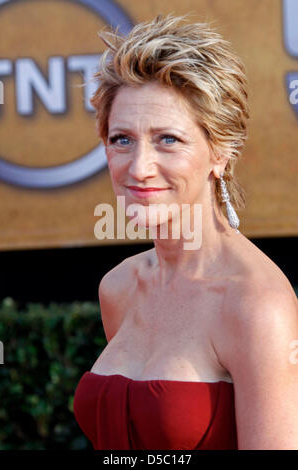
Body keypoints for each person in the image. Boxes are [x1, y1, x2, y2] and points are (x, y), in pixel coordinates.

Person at [73, 13, 298, 450]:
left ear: (220, 153)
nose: (138, 168)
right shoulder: (119, 287)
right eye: (122, 139)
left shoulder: (257, 305)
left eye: (168, 139)